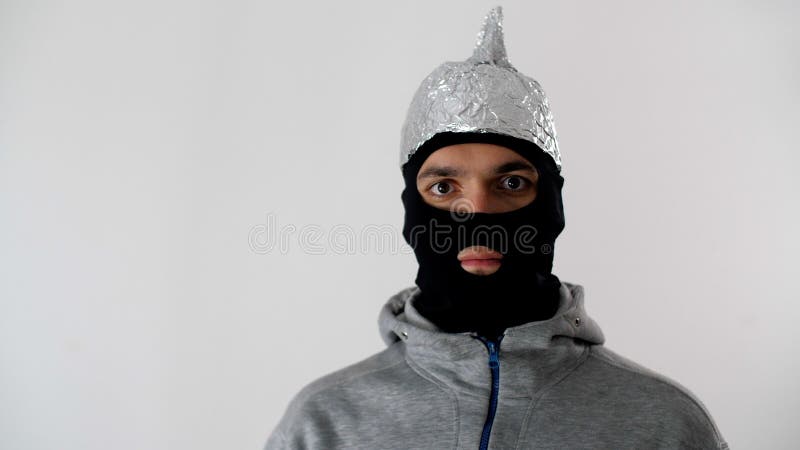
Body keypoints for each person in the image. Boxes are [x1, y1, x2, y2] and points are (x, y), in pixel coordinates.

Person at [264, 6, 728, 450]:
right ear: (411, 207)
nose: (478, 213)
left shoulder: (662, 423)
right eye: (444, 187)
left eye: (511, 182)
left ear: (552, 204)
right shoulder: (326, 422)